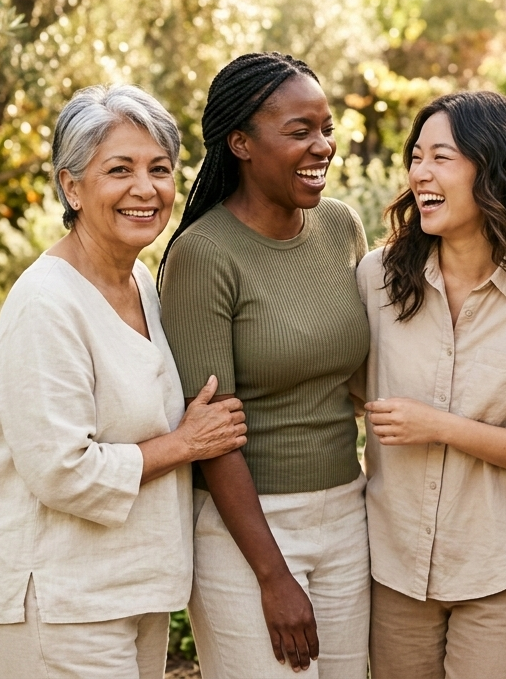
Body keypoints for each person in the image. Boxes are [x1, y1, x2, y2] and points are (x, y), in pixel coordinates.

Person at [0, 84, 248, 679]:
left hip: (131, 590)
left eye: (160, 169)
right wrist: (185, 443)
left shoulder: (141, 282)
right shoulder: (45, 306)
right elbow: (62, 471)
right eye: (118, 170)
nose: (145, 189)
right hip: (60, 600)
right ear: (71, 186)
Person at [358, 90, 506, 679]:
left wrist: (439, 427)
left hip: (504, 569)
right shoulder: (377, 279)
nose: (421, 173)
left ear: (492, 169)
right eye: (416, 156)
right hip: (394, 562)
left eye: (442, 157)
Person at [158, 53, 371, 678]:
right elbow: (212, 433)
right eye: (299, 131)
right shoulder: (204, 254)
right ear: (241, 143)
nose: (322, 146)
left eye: (326, 128)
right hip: (248, 533)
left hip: (346, 513)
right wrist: (272, 575)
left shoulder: (340, 228)